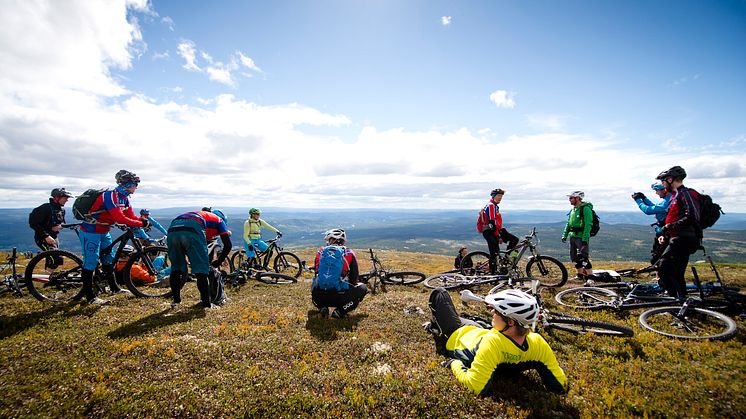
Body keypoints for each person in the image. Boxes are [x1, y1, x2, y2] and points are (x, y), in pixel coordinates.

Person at [426, 288, 567, 395]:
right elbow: (560, 385)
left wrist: (454, 364)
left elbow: (475, 386)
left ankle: (436, 324)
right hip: (481, 331)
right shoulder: (537, 342)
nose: (492, 313)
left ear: (511, 321)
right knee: (475, 322)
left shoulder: (492, 343)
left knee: (440, 293)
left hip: (456, 334)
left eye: (497, 311)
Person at [79, 170, 149, 304]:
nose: (136, 187)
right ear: (127, 184)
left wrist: (141, 221)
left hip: (104, 231)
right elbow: (120, 218)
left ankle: (114, 288)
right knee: (91, 262)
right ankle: (90, 297)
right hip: (90, 231)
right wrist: (140, 223)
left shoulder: (125, 198)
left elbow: (130, 215)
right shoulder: (110, 196)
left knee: (109, 259)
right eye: (135, 184)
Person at [167, 208, 232, 308]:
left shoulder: (204, 216)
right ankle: (207, 304)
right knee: (201, 270)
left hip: (173, 227)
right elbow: (228, 246)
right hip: (193, 227)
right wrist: (218, 262)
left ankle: (176, 301)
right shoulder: (220, 221)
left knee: (176, 268)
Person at [655, 166, 701, 299]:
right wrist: (666, 234)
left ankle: (675, 300)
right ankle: (681, 300)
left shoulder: (686, 193)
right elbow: (677, 217)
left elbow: (692, 217)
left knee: (663, 267)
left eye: (663, 181)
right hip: (678, 237)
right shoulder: (676, 195)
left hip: (684, 238)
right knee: (676, 272)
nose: (662, 184)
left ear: (670, 179)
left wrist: (668, 226)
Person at [311, 228, 367, 319]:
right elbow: (354, 279)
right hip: (340, 297)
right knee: (362, 288)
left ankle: (322, 307)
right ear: (342, 240)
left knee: (315, 281)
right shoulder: (349, 252)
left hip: (319, 297)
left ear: (331, 239)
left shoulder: (320, 252)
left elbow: (317, 272)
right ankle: (340, 311)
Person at [28, 187, 73, 269]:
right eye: (65, 198)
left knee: (54, 260)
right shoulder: (45, 208)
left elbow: (61, 223)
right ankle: (48, 280)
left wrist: (60, 226)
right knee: (56, 259)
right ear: (56, 198)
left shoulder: (61, 210)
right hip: (43, 238)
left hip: (54, 237)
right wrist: (46, 236)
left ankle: (49, 278)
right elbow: (33, 223)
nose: (67, 200)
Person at [477, 189, 519, 274]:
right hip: (489, 231)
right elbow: (491, 223)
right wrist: (498, 236)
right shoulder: (491, 205)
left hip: (495, 230)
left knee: (514, 240)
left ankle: (506, 259)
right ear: (493, 196)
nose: (500, 198)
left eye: (501, 196)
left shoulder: (494, 206)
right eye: (498, 196)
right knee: (494, 253)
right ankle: (493, 273)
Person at [632, 183, 672, 265]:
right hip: (664, 231)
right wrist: (644, 198)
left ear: (664, 189)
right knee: (660, 255)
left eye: (657, 190)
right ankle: (660, 275)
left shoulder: (668, 201)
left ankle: (661, 276)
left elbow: (648, 210)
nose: (656, 193)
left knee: (658, 256)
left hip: (665, 232)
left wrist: (638, 200)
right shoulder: (669, 199)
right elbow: (655, 207)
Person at [561, 191, 594, 280]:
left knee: (584, 257)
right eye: (570, 198)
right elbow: (568, 223)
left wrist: (585, 237)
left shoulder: (585, 209)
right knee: (574, 257)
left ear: (578, 198)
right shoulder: (573, 209)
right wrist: (565, 235)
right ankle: (580, 275)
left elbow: (588, 224)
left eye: (571, 198)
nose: (569, 200)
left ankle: (590, 277)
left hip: (581, 236)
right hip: (572, 236)